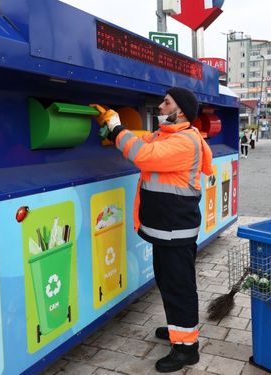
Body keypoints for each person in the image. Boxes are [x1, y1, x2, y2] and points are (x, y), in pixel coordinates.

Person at [91, 86, 212, 373]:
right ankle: (177, 330)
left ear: (180, 110)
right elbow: (143, 140)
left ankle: (187, 349)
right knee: (169, 283)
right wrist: (114, 132)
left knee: (179, 287)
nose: (160, 106)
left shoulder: (185, 142)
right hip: (166, 229)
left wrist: (116, 127)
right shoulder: (166, 136)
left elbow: (144, 155)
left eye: (166, 102)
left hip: (175, 231)